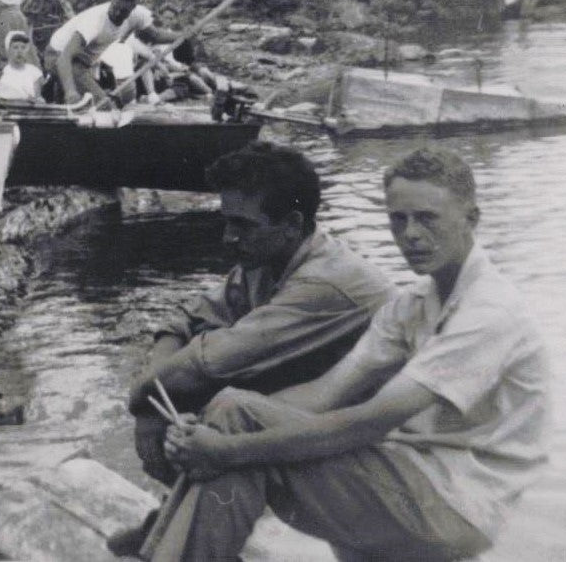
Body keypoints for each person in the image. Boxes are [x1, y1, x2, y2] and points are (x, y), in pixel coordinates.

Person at [147, 145, 550, 562]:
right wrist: (210, 428)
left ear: (471, 219)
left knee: (236, 425)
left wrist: (228, 447)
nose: (410, 234)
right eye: (398, 219)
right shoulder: (412, 305)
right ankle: (163, 544)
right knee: (230, 410)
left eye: (427, 217)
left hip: (460, 506)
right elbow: (325, 394)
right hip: (417, 481)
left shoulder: (489, 312)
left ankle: (160, 545)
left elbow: (370, 422)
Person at [125, 143, 392, 487]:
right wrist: (151, 400)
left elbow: (204, 363)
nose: (228, 237)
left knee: (218, 419)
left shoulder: (324, 283)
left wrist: (142, 399)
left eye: (243, 225)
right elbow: (186, 320)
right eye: (227, 222)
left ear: (292, 224)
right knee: (191, 412)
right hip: (326, 414)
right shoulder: (269, 259)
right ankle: (177, 515)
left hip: (381, 442)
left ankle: (181, 524)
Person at [46, 0, 181, 106]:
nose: (117, 13)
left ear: (133, 6)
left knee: (93, 103)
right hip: (58, 56)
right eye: (115, 7)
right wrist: (71, 92)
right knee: (103, 106)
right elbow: (65, 57)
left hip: (82, 62)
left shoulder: (138, 15)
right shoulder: (94, 21)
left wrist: (182, 36)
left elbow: (155, 35)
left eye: (123, 11)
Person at [0, 29, 45, 103]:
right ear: (9, 50)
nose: (19, 51)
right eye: (15, 47)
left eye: (23, 47)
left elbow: (37, 98)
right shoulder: (2, 71)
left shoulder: (34, 72)